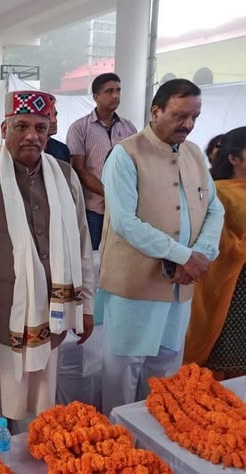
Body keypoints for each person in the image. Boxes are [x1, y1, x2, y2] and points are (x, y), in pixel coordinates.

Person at [0, 90, 95, 443]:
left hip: (51, 317)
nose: (32, 136)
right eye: (22, 126)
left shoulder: (66, 176)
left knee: (40, 411)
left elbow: (83, 244)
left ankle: (31, 459)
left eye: (40, 127)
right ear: (5, 129)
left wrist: (86, 305)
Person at [98, 79, 224, 416]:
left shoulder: (194, 154)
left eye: (194, 117)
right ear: (156, 112)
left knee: (166, 370)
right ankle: (117, 441)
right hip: (135, 287)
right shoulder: (125, 155)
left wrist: (199, 255)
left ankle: (157, 437)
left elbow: (214, 209)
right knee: (123, 373)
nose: (189, 124)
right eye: (180, 116)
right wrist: (184, 256)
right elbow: (125, 222)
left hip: (180, 287)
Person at [184, 127, 246, 380]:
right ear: (233, 158)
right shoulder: (218, 192)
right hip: (231, 285)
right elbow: (218, 242)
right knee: (224, 353)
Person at [66, 73, 137, 250]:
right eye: (109, 91)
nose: (115, 96)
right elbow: (79, 170)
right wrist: (110, 194)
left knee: (120, 256)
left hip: (124, 210)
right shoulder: (79, 128)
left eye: (118, 90)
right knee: (92, 257)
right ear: (96, 97)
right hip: (93, 210)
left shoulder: (129, 128)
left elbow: (136, 166)